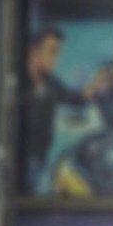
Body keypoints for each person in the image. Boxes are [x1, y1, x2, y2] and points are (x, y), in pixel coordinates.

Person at [20, 28, 65, 191]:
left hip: (38, 156)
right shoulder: (17, 82)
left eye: (57, 53)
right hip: (17, 158)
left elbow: (76, 98)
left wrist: (99, 84)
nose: (55, 58)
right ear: (33, 49)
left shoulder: (51, 83)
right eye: (52, 51)